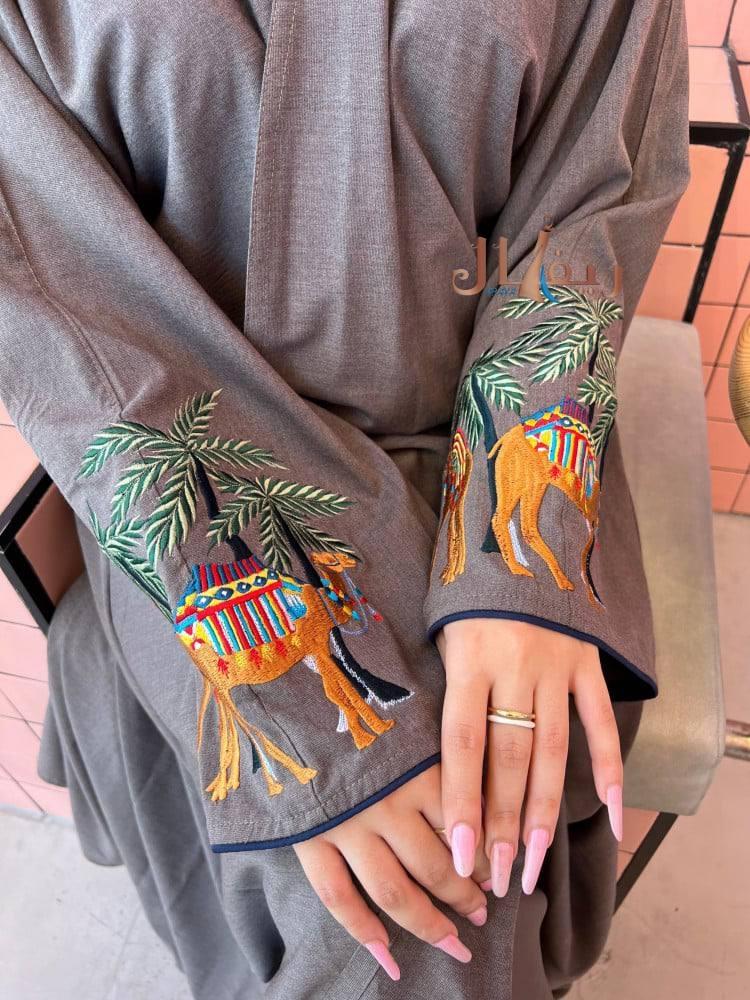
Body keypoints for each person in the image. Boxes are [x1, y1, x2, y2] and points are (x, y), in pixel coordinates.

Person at [0, 0, 690, 997]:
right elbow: (54, 305)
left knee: (485, 822)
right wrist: (310, 704)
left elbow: (592, 198)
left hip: (478, 435)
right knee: (410, 908)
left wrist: (515, 560)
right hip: (199, 488)